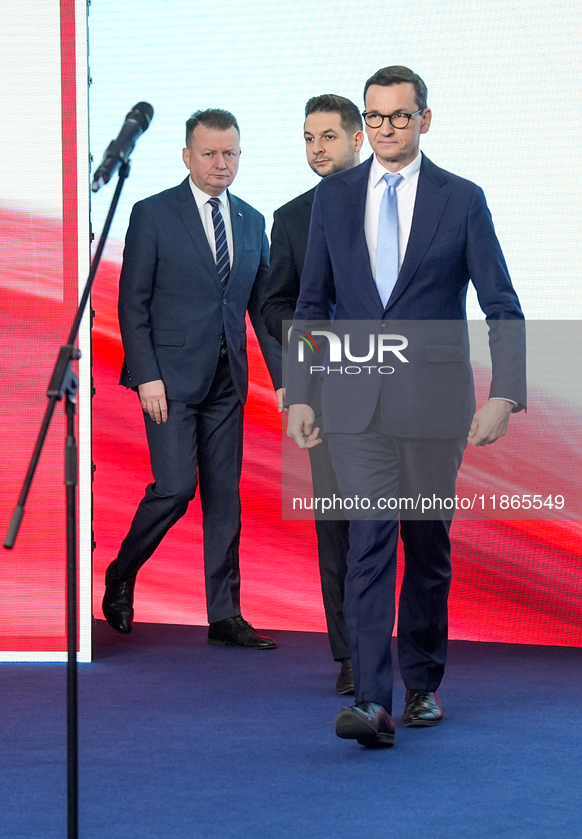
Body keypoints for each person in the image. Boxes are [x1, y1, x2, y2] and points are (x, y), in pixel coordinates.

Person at [286, 66, 525, 747]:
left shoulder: (461, 199)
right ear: (366, 123)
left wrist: (505, 393)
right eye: (376, 116)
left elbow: (500, 303)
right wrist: (302, 393)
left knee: (425, 545)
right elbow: (310, 305)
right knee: (368, 542)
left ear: (424, 119)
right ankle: (369, 700)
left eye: (399, 115)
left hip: (434, 405)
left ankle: (421, 683)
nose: (387, 127)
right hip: (352, 404)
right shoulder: (332, 199)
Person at [103, 108, 282, 650]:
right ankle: (121, 572)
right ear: (187, 156)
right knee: (177, 487)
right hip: (170, 380)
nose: (220, 163)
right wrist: (146, 375)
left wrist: (289, 379)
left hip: (229, 380)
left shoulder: (252, 221)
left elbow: (265, 310)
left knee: (224, 497)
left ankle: (224, 615)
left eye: (230, 153)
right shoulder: (152, 213)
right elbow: (131, 303)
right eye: (209, 153)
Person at [262, 94, 364, 694]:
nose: (317, 149)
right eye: (308, 138)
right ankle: (351, 654)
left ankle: (417, 657)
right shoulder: (293, 217)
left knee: (413, 527)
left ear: (356, 138)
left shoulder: (396, 205)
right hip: (328, 393)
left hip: (403, 391)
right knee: (338, 528)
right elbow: (276, 302)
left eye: (328, 137)